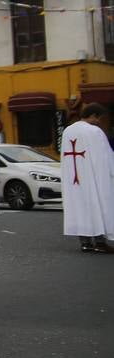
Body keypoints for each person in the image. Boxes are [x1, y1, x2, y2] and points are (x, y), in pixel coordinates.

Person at [60, 103, 114, 253]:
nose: (99, 122)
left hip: (74, 178)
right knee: (98, 204)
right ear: (93, 115)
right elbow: (104, 156)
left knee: (79, 206)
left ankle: (85, 243)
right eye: (99, 118)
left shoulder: (68, 131)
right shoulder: (94, 131)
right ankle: (100, 242)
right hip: (92, 176)